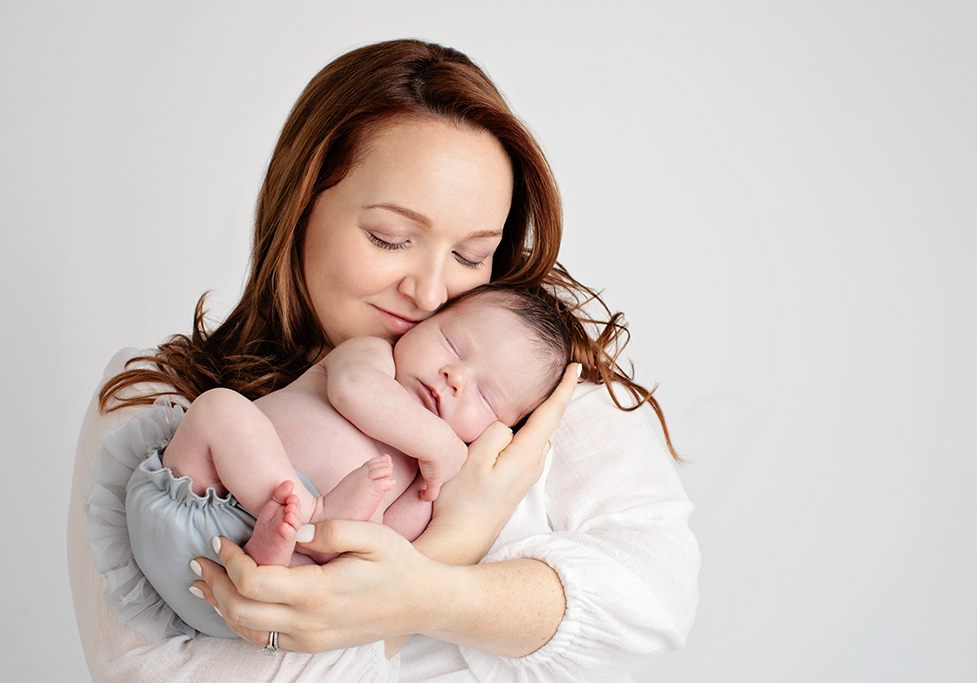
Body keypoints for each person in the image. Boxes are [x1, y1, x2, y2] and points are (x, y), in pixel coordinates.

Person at [68, 39, 700, 681]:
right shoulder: (154, 398)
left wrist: (431, 592)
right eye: (390, 239)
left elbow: (656, 601)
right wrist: (454, 545)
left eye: (471, 255)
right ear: (300, 208)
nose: (429, 294)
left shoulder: (543, 396)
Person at [126, 284, 577, 639]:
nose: (455, 377)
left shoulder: (430, 479)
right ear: (420, 323)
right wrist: (441, 444)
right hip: (199, 495)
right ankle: (308, 513)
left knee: (343, 565)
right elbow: (352, 391)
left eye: (486, 395)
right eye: (452, 344)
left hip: (259, 594)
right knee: (217, 409)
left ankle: (279, 544)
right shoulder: (373, 359)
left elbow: (388, 557)